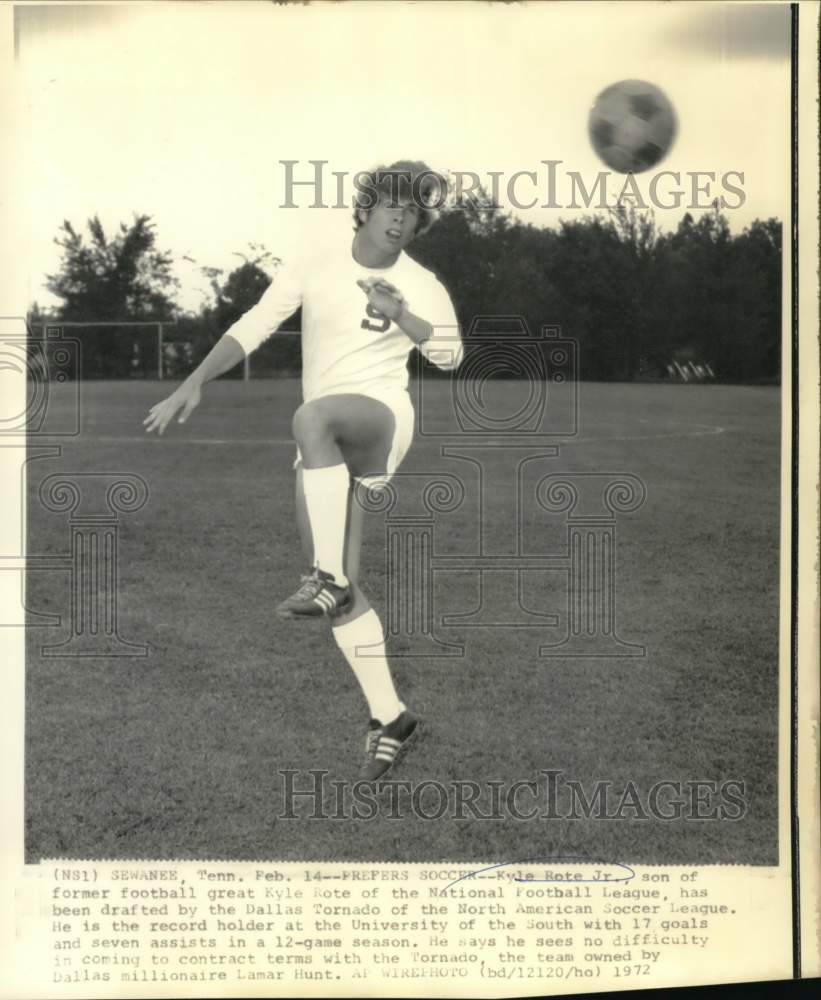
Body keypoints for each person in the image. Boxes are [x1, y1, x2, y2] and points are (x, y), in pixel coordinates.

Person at [144, 161, 463, 779]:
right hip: (321, 445)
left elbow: (449, 354)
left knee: (311, 421)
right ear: (366, 207)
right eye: (391, 204)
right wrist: (193, 381)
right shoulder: (317, 260)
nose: (402, 217)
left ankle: (326, 577)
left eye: (414, 212)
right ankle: (391, 716)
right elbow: (256, 323)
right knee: (339, 588)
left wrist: (402, 315)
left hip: (379, 420)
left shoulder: (420, 281)